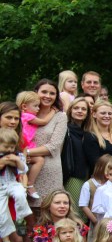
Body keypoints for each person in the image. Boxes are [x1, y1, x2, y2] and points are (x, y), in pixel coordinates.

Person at [28, 79, 69, 208]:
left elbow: (54, 146)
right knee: (27, 214)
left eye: (52, 93)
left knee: (48, 211)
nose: (48, 96)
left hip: (50, 171)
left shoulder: (60, 117)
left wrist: (25, 152)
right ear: (36, 92)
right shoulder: (25, 115)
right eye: (44, 92)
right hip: (26, 169)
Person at [0, 128, 32, 242]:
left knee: (20, 193)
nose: (9, 150)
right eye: (5, 147)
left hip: (12, 183)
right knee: (2, 214)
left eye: (12, 147)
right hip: (0, 187)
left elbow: (24, 170)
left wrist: (18, 160)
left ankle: (20, 219)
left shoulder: (16, 155)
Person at [15, 91, 50, 199]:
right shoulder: (26, 115)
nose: (38, 109)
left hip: (25, 146)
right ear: (24, 106)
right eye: (35, 106)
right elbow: (44, 121)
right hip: (25, 145)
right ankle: (30, 184)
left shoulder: (23, 115)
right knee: (40, 160)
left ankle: (25, 185)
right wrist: (54, 111)